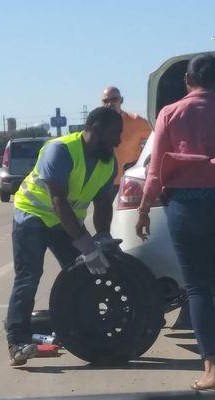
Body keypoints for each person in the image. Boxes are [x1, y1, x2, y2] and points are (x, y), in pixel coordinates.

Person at [6, 107, 122, 366]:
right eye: (115, 133)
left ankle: (84, 329)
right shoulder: (60, 150)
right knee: (28, 277)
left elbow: (103, 205)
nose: (119, 141)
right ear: (95, 129)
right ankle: (17, 341)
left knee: (84, 275)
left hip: (66, 223)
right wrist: (86, 246)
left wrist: (102, 237)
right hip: (33, 215)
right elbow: (58, 201)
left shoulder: (108, 163)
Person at [135, 53, 215, 391]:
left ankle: (211, 369)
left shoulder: (170, 113)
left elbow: (154, 173)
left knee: (198, 288)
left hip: (186, 205)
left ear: (187, 81)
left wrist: (143, 210)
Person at [101, 86, 151, 198]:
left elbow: (157, 135)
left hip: (129, 182)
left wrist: (148, 158)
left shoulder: (135, 121)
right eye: (105, 101)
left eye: (113, 99)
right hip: (103, 183)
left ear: (121, 100)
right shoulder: (98, 124)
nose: (109, 104)